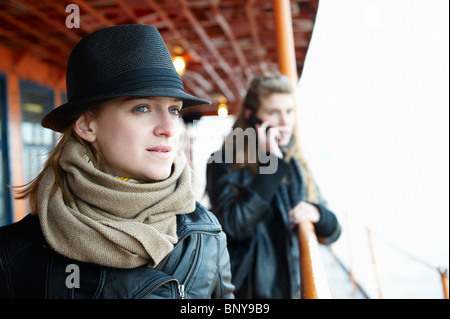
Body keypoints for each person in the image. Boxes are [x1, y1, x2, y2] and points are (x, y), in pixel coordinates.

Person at [0, 25, 234, 299]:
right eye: (142, 108)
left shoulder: (206, 234)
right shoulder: (13, 254)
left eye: (174, 110)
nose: (169, 128)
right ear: (87, 124)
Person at [206, 74, 341, 299]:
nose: (284, 121)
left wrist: (317, 213)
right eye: (273, 112)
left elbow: (333, 231)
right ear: (252, 117)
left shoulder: (296, 162)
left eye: (288, 111)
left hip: (294, 288)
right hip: (248, 294)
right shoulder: (222, 163)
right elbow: (234, 225)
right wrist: (272, 166)